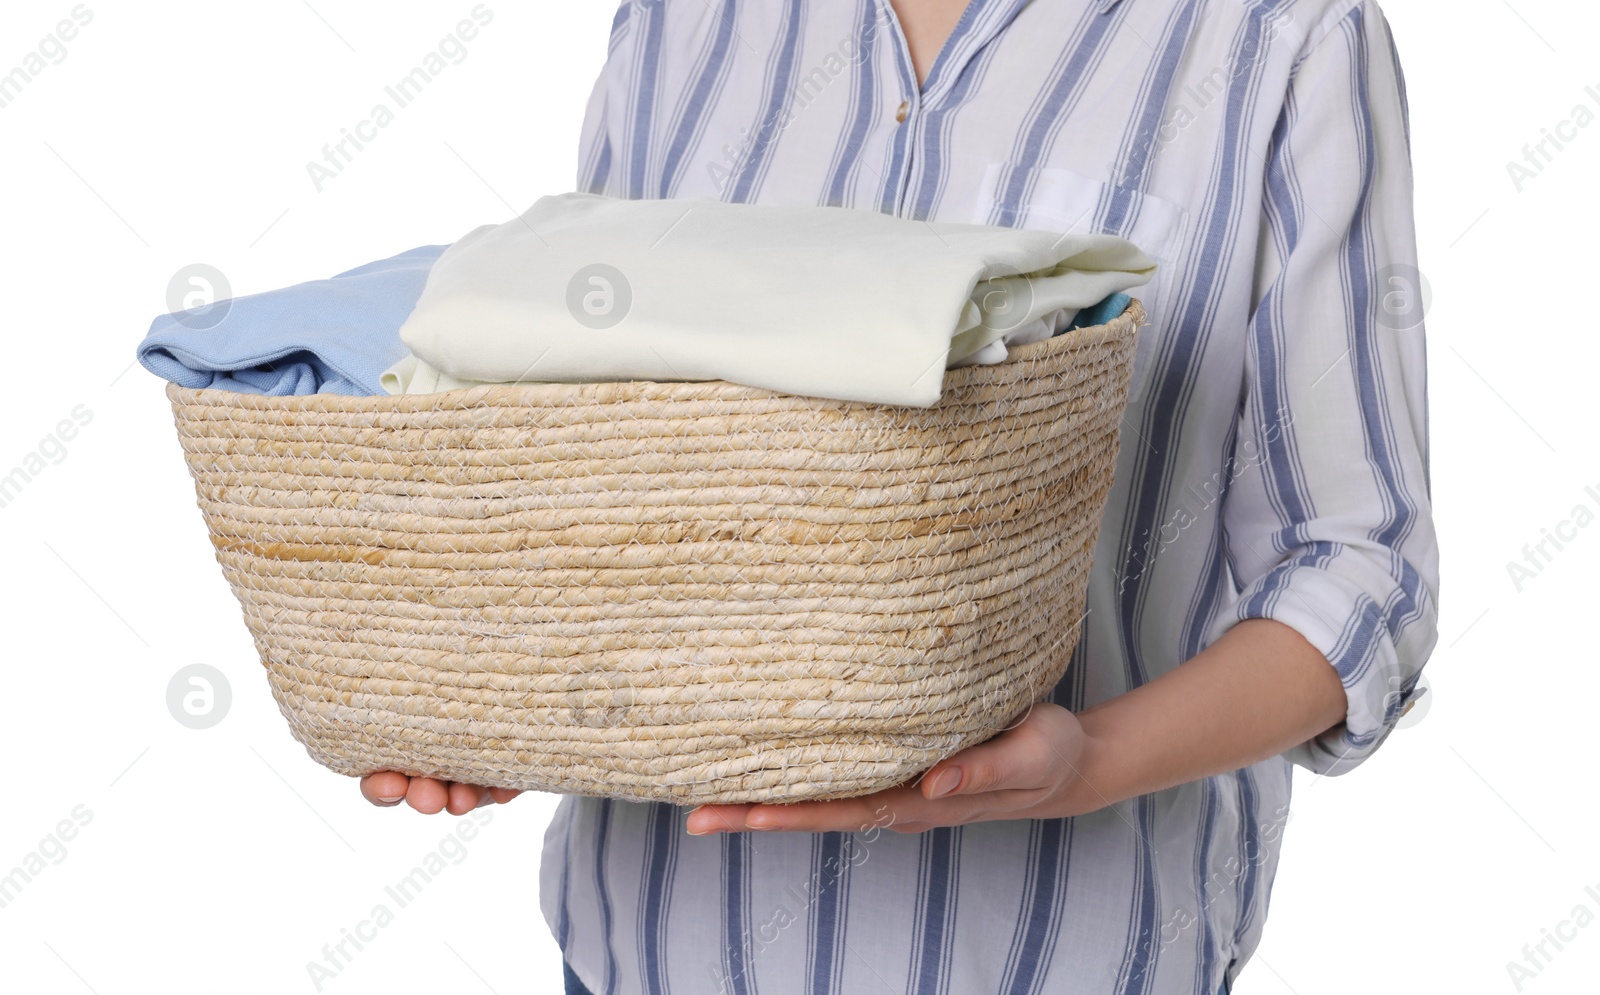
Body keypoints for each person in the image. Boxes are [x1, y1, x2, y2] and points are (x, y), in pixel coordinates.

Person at [359, 1, 1439, 992]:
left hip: (1057, 956)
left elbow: (1357, 571)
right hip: (646, 950)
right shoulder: (679, 24)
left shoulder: (1278, 38)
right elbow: (598, 463)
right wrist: (504, 708)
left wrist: (1092, 759)